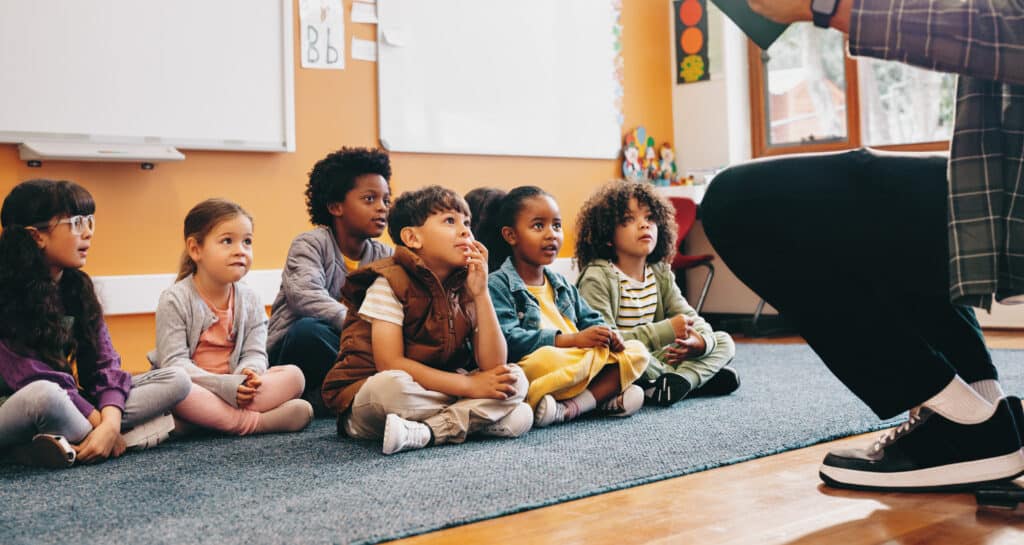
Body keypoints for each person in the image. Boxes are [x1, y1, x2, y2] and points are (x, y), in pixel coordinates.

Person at [700, 0, 1024, 490]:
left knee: (739, 204)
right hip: (996, 183)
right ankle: (981, 418)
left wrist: (826, 6)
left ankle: (966, 422)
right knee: (887, 229)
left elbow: (1009, 30)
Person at [321, 186, 531, 455]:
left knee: (515, 380)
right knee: (391, 387)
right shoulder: (388, 282)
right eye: (449, 221)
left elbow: (493, 365)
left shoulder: (467, 284)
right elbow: (390, 363)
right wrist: (469, 386)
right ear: (412, 237)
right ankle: (473, 419)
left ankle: (428, 432)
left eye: (467, 223)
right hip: (373, 393)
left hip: (436, 389)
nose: (465, 230)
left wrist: (481, 293)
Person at [0, 179, 190, 468]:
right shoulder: (6, 291)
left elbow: (106, 365)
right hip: (14, 405)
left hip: (71, 405)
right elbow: (30, 376)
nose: (88, 232)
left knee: (176, 379)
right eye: (76, 223)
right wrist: (99, 421)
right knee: (46, 395)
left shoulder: (77, 288)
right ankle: (114, 438)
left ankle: (59, 444)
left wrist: (110, 422)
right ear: (36, 236)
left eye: (90, 221)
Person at [484, 186, 650, 427]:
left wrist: (608, 335)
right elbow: (510, 340)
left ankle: (573, 407)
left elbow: (591, 320)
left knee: (636, 351)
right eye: (539, 226)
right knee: (544, 360)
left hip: (578, 359)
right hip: (548, 362)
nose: (552, 235)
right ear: (511, 235)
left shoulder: (561, 284)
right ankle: (600, 398)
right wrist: (572, 340)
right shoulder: (497, 284)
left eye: (557, 225)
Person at [150, 199, 312, 436]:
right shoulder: (174, 299)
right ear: (195, 249)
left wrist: (248, 374)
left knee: (294, 376)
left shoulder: (251, 299)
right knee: (177, 387)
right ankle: (253, 423)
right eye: (227, 241)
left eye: (247, 242)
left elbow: (255, 352)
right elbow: (175, 364)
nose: (240, 250)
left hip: (237, 388)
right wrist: (224, 386)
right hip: (198, 387)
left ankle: (203, 422)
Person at [575, 181, 739, 406]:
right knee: (630, 354)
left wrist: (699, 342)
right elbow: (604, 343)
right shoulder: (597, 277)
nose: (644, 226)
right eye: (629, 220)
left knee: (724, 341)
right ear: (607, 236)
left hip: (658, 357)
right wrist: (666, 330)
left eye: (650, 218)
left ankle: (680, 382)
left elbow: (689, 317)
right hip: (625, 357)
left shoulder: (660, 272)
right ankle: (693, 378)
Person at [267, 147, 393, 415]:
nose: (382, 208)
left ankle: (334, 397)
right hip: (298, 350)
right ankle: (348, 391)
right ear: (336, 206)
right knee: (308, 331)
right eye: (370, 199)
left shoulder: (386, 255)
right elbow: (306, 297)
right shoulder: (310, 244)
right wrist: (365, 324)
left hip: (354, 347)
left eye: (386, 200)